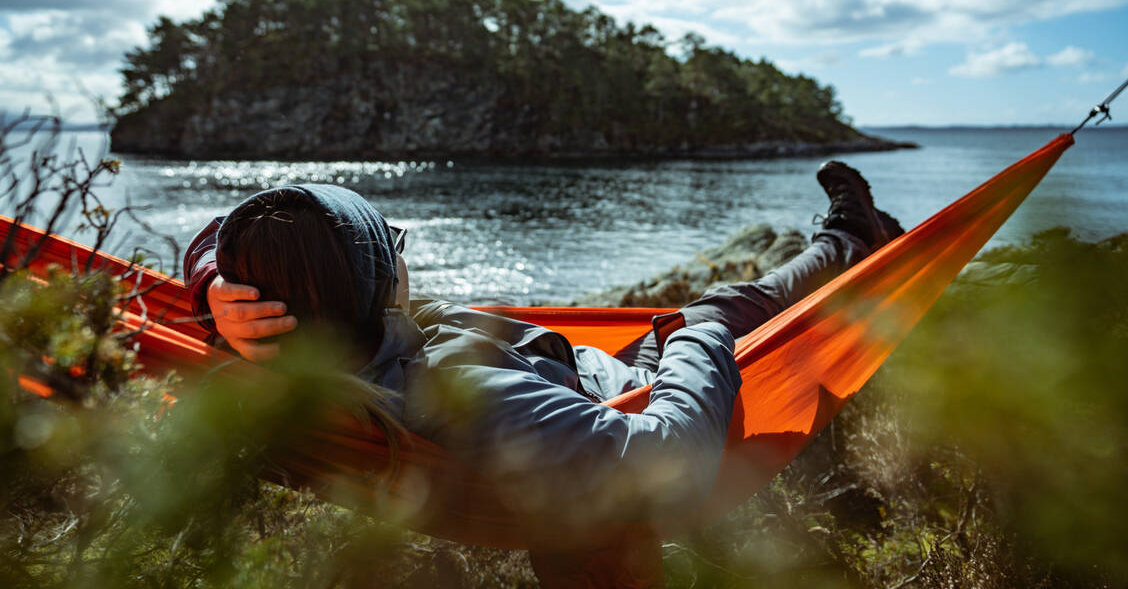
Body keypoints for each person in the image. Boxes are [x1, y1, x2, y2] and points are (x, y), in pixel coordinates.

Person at [182, 161, 902, 583]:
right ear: (374, 280)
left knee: (728, 301)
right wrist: (696, 339)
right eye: (391, 243)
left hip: (572, 400)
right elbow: (663, 459)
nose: (404, 255)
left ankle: (846, 238)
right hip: (617, 407)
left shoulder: (293, 352)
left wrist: (215, 283)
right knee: (720, 310)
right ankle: (849, 239)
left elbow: (222, 240)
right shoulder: (459, 390)